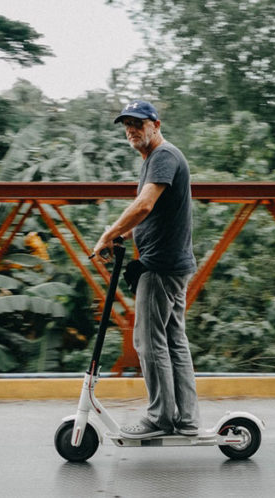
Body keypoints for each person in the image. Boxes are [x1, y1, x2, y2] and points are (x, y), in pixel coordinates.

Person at [92, 100, 200, 439]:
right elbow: (152, 214)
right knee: (172, 340)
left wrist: (107, 234)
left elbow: (145, 204)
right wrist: (122, 235)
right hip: (174, 263)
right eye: (126, 124)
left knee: (147, 341)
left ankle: (160, 419)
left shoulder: (164, 156)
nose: (131, 129)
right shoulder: (157, 159)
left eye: (138, 123)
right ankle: (186, 419)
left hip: (161, 266)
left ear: (155, 123)